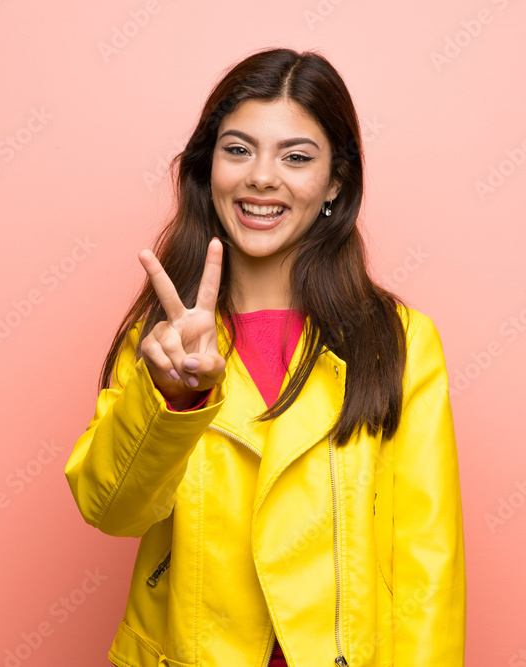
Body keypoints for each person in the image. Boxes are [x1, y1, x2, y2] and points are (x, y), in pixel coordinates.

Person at [65, 47, 466, 666]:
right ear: (208, 167)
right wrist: (174, 399)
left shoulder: (400, 341)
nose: (261, 177)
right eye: (238, 149)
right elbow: (112, 511)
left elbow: (427, 563)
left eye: (296, 157)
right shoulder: (161, 343)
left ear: (336, 181)